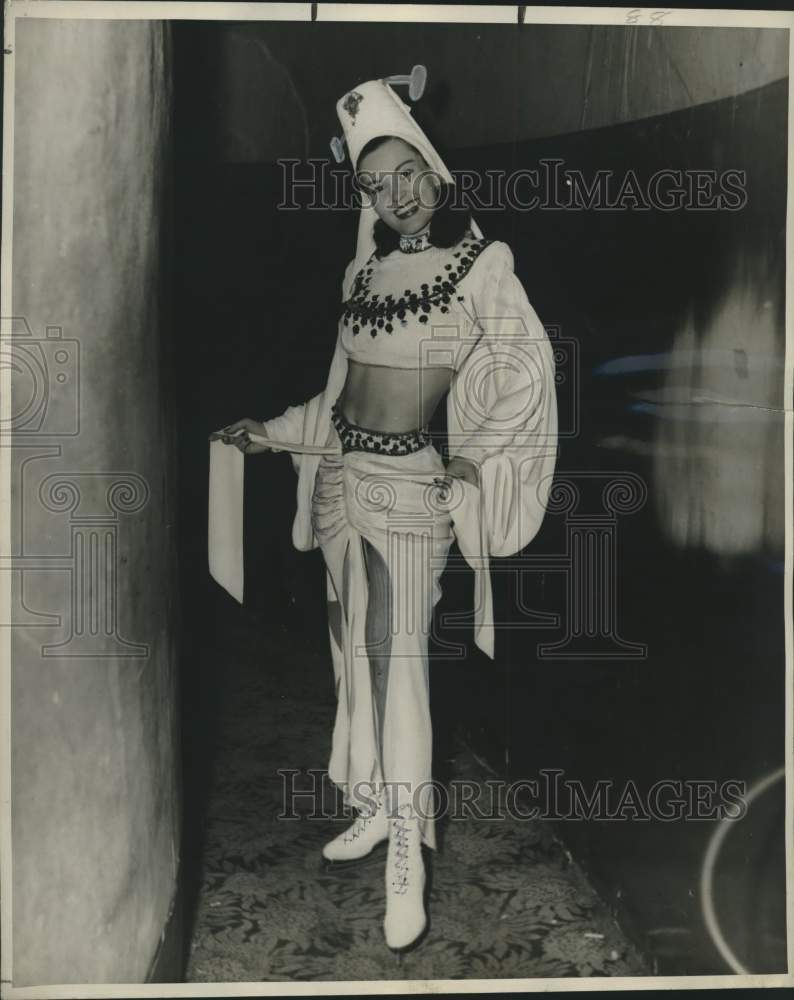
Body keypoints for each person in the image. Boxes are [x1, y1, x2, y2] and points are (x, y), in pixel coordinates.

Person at [209, 75, 558, 954]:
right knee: (350, 651)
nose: (394, 194)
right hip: (340, 485)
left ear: (433, 170)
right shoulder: (363, 269)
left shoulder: (480, 265)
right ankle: (372, 804)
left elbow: (525, 366)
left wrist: (474, 457)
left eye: (406, 173)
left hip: (409, 493)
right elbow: (343, 391)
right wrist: (276, 432)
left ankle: (410, 852)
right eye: (374, 184)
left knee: (402, 664)